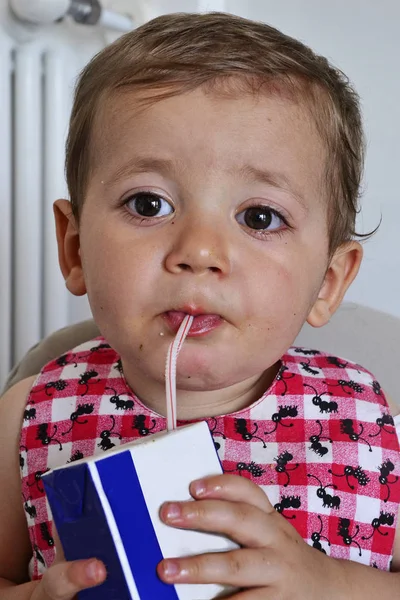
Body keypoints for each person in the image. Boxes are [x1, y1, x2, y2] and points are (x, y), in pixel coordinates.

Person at [1, 11, 400, 600]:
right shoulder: (29, 414)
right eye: (148, 203)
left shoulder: (369, 424)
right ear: (75, 246)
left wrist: (328, 584)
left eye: (259, 217)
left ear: (328, 281)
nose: (200, 251)